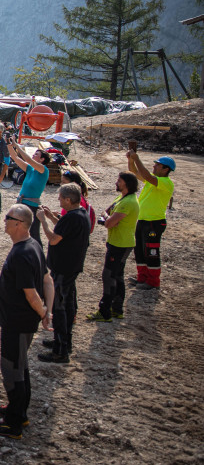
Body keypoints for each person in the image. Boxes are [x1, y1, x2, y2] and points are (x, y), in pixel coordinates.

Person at [0, 204, 53, 439]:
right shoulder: (33, 245)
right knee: (20, 366)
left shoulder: (23, 253)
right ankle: (18, 411)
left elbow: (32, 293)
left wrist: (44, 313)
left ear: (18, 224)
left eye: (7, 218)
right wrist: (46, 311)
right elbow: (48, 280)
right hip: (21, 320)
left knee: (12, 369)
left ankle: (13, 423)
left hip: (17, 322)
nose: (4, 221)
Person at [37, 183, 90, 364]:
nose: (59, 201)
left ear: (68, 199)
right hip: (71, 267)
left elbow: (53, 239)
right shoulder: (81, 214)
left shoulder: (71, 218)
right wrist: (52, 217)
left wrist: (43, 220)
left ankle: (60, 351)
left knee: (60, 309)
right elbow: (65, 229)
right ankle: (64, 343)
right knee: (68, 306)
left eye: (60, 199)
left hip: (63, 269)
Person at [87, 172, 140, 322]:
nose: (116, 183)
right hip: (120, 242)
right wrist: (107, 217)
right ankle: (117, 310)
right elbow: (106, 212)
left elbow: (109, 221)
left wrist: (107, 219)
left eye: (119, 181)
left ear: (126, 184)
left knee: (109, 276)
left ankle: (105, 311)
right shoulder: (123, 198)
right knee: (117, 275)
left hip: (120, 244)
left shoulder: (127, 202)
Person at [128, 152, 175, 290]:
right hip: (143, 220)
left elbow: (146, 175)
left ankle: (153, 281)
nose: (154, 166)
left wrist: (137, 158)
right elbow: (134, 171)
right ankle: (142, 278)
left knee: (151, 252)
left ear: (166, 169)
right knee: (140, 250)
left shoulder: (165, 183)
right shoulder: (153, 181)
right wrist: (131, 160)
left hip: (154, 222)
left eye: (158, 165)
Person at [7, 140, 50, 243]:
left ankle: (37, 254)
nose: (34, 155)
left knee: (34, 233)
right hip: (22, 204)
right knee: (20, 230)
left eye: (36, 154)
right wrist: (9, 144)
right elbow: (15, 157)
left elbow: (27, 159)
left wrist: (16, 145)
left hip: (32, 206)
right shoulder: (30, 169)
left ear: (42, 159)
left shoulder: (44, 170)